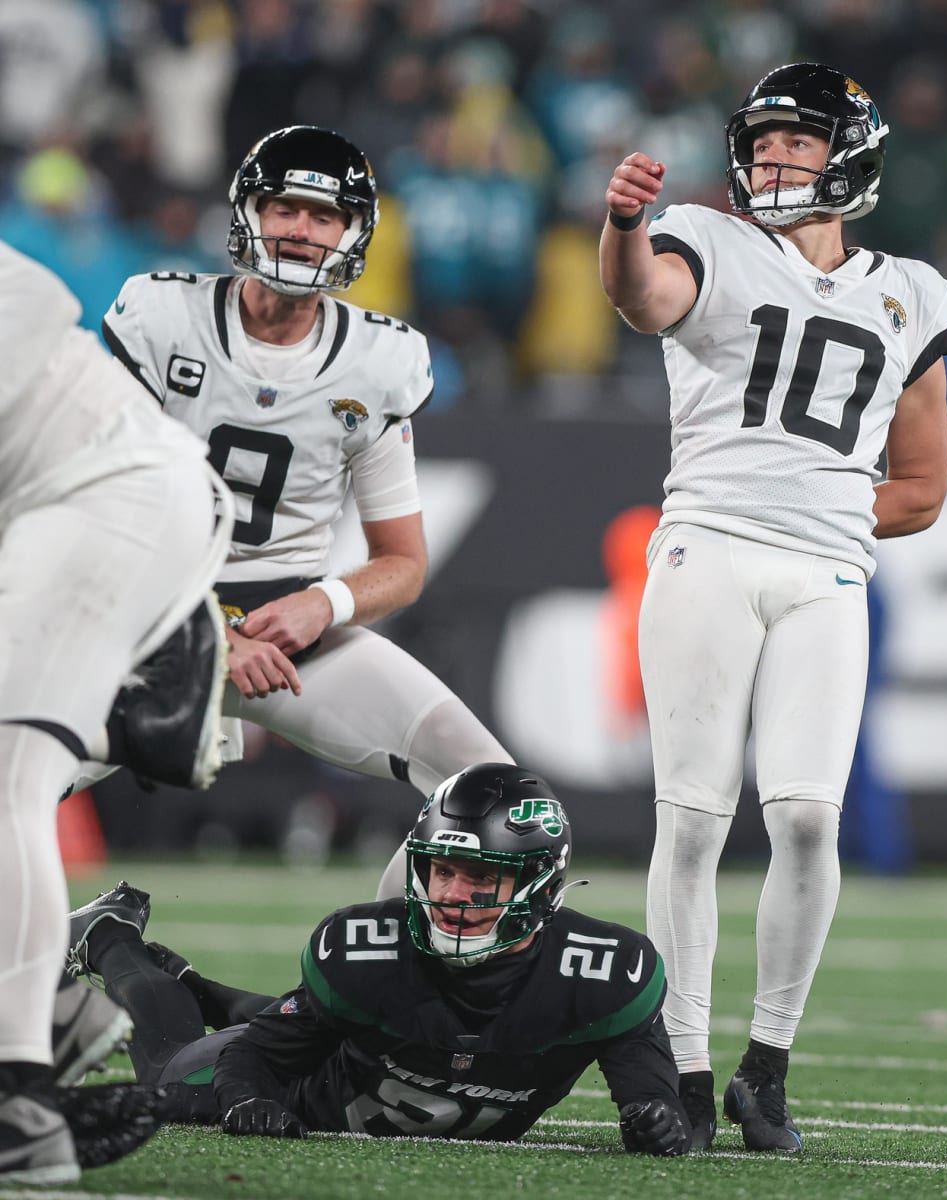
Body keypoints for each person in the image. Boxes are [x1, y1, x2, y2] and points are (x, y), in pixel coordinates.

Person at [599, 63, 947, 1151]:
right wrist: (620, 225)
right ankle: (689, 1070)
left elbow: (925, 483)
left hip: (826, 573)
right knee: (696, 820)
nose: (772, 159)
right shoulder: (706, 238)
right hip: (708, 547)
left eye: (797, 142)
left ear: (849, 155)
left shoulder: (915, 291)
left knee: (805, 815)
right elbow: (640, 297)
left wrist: (830, 516)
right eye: (762, 142)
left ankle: (767, 1067)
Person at [95, 124, 510, 812]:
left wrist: (324, 602)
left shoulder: (378, 362)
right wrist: (210, 635)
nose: (299, 229)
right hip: (140, 614)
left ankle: (408, 926)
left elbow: (401, 563)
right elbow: (104, 519)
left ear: (353, 234)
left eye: (324, 215)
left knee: (497, 793)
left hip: (283, 625)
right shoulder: (162, 316)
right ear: (248, 214)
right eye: (284, 207)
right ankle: (76, 928)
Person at [64, 764, 691, 1156]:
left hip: (367, 1041)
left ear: (538, 883)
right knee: (167, 1069)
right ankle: (110, 937)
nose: (450, 894)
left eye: (480, 876)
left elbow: (663, 1106)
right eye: (441, 870)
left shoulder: (604, 974)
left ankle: (188, 978)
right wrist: (244, 1100)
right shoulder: (372, 949)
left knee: (312, 1016)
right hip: (312, 1085)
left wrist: (659, 1124)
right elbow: (255, 1057)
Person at [0, 240, 234, 1183]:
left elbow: (40, 297)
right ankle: (50, 1027)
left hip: (109, 498)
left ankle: (18, 1094)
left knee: (7, 777)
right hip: (60, 510)